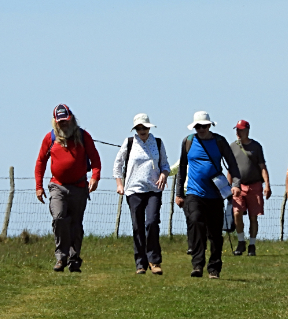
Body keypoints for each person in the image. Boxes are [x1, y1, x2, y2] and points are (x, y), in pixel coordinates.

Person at [174, 111, 241, 279]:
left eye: (204, 126)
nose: (201, 129)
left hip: (215, 194)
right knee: (195, 221)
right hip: (193, 193)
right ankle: (197, 265)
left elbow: (232, 165)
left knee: (215, 233)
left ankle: (214, 268)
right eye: (198, 126)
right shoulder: (188, 142)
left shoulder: (220, 142)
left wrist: (235, 185)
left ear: (210, 125)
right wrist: (179, 193)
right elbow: (182, 167)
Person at [34, 104, 101, 272]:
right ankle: (60, 257)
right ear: (55, 122)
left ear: (71, 119)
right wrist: (39, 186)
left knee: (76, 224)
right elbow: (41, 161)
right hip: (58, 186)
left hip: (79, 187)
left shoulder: (84, 137)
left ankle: (74, 259)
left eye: (66, 121)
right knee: (59, 218)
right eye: (60, 122)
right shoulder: (49, 138)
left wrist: (95, 177)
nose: (63, 124)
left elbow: (95, 160)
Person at [113, 113, 171, 275]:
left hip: (154, 189)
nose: (142, 130)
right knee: (137, 226)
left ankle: (154, 261)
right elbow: (118, 164)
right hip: (134, 190)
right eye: (139, 128)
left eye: (144, 127)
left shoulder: (158, 143)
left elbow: (165, 164)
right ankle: (140, 263)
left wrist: (163, 175)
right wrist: (119, 184)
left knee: (152, 222)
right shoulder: (129, 143)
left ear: (149, 127)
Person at [228, 120, 271, 256]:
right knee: (236, 213)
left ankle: (252, 244)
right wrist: (228, 187)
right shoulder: (232, 146)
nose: (238, 133)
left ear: (247, 130)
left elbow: (262, 167)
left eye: (240, 130)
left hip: (254, 185)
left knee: (253, 217)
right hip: (238, 186)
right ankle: (241, 241)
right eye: (237, 130)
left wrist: (267, 185)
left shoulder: (256, 146)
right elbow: (230, 168)